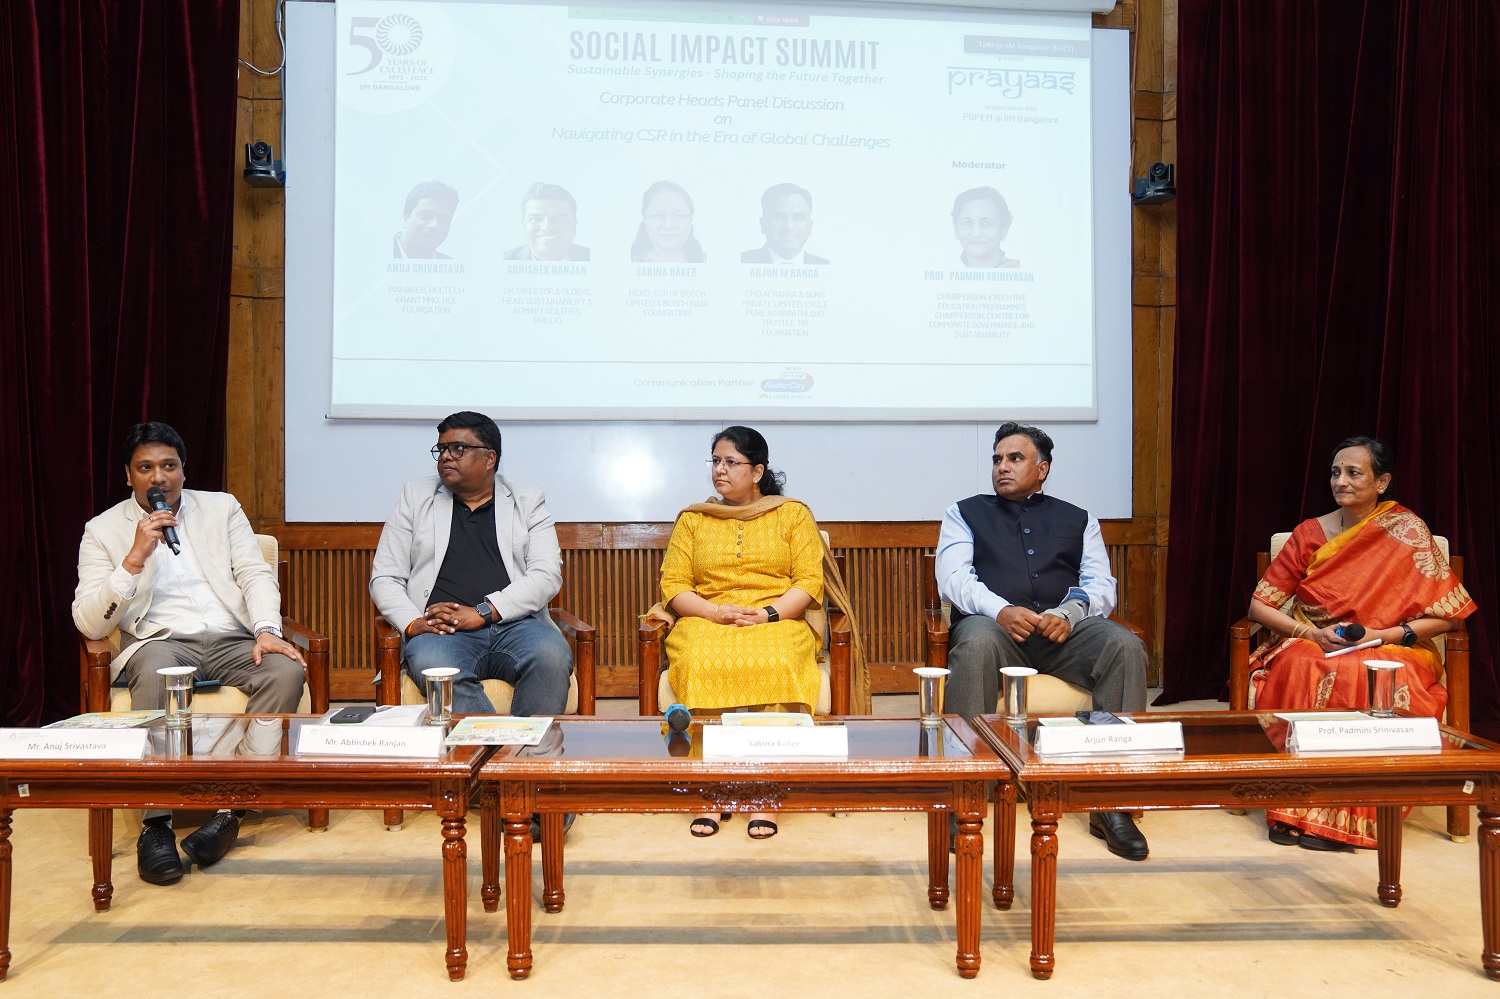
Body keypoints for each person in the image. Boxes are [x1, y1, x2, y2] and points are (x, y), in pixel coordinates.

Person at [72, 422, 307, 886]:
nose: (158, 478)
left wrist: (265, 630)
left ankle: (231, 809)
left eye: (168, 466)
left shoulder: (221, 508)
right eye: (146, 468)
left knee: (284, 669)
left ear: (182, 469)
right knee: (159, 670)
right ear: (128, 476)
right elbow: (89, 622)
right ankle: (155, 824)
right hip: (161, 641)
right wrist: (134, 558)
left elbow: (254, 573)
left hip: (231, 637)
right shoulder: (102, 530)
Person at [1247, 436, 1475, 851]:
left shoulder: (1408, 531)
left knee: (1367, 673)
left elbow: (1445, 616)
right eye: (1336, 472)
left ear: (1382, 481)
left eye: (1354, 473)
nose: (1342, 481)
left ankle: (1351, 813)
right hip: (1314, 639)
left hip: (1392, 643)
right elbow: (1259, 607)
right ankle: (1294, 809)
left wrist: (1385, 635)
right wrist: (1308, 633)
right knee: (1304, 664)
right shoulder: (1308, 534)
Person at [937, 422, 1149, 859]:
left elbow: (1101, 584)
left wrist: (1068, 614)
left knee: (1124, 645)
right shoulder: (964, 512)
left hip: (1064, 634)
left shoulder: (1079, 519)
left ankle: (1110, 803)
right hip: (997, 631)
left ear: (1043, 468)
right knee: (973, 641)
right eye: (997, 459)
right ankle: (965, 793)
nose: (1001, 467)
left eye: (1015, 458)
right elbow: (953, 578)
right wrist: (1001, 610)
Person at [652, 426, 864, 840]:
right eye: (715, 461)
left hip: (776, 618)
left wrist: (767, 614)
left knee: (780, 660)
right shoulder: (694, 518)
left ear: (757, 471)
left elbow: (807, 582)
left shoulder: (792, 514)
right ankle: (712, 788)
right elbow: (674, 586)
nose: (719, 470)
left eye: (731, 462)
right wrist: (714, 612)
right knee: (698, 660)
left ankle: (766, 790)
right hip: (707, 618)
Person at [369, 411, 573, 719]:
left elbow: (546, 576)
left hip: (514, 624)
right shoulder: (415, 496)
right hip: (443, 631)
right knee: (433, 664)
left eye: (458, 449)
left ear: (489, 458)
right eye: (441, 449)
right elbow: (385, 577)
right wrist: (412, 623)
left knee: (552, 655)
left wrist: (483, 613)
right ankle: (487, 752)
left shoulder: (527, 500)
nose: (446, 457)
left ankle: (528, 755)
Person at [741, 183, 829, 264]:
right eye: (779, 217)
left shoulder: (825, 267)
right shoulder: (743, 262)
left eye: (798, 218)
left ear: (810, 227)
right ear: (763, 224)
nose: (788, 226)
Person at [502, 182, 591, 261]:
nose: (547, 228)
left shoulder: (595, 259)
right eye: (535, 219)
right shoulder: (505, 260)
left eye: (559, 219)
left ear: (574, 227)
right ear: (524, 227)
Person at [631, 180, 707, 263]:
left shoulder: (706, 262)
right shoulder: (630, 263)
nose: (669, 225)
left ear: (690, 220)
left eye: (679, 216)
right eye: (658, 216)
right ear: (645, 220)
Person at [951, 186, 1019, 268]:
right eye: (967, 223)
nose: (976, 234)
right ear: (956, 229)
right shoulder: (951, 279)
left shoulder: (1017, 270)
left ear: (1004, 229)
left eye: (986, 224)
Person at [394, 180, 458, 259]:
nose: (435, 225)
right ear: (406, 217)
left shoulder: (452, 266)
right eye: (425, 216)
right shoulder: (377, 258)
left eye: (443, 220)